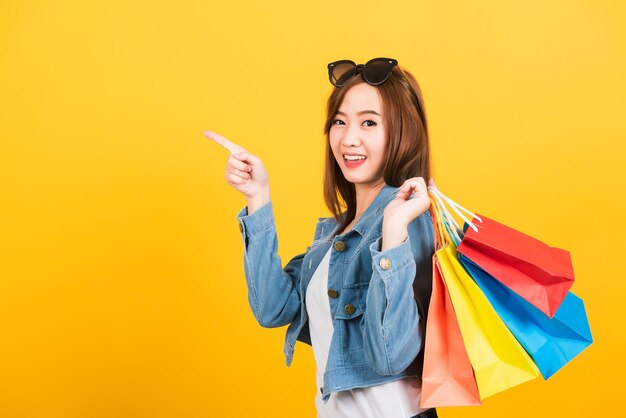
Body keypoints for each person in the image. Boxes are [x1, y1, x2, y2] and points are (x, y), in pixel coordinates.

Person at [207, 57, 437, 418]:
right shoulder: (334, 234)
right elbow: (272, 309)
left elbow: (391, 355)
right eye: (340, 122)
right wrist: (258, 198)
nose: (349, 138)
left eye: (369, 123)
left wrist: (393, 233)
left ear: (402, 133)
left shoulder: (408, 219)